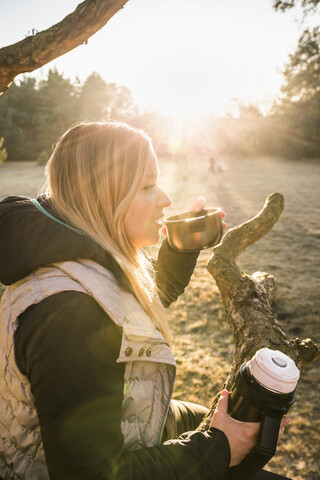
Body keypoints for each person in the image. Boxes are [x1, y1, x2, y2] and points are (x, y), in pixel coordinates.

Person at [0, 121, 290, 480]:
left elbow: (126, 305)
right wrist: (218, 448)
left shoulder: (76, 253)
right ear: (103, 195)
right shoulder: (68, 315)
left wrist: (179, 248)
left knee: (201, 413)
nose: (166, 198)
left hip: (129, 428)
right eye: (148, 186)